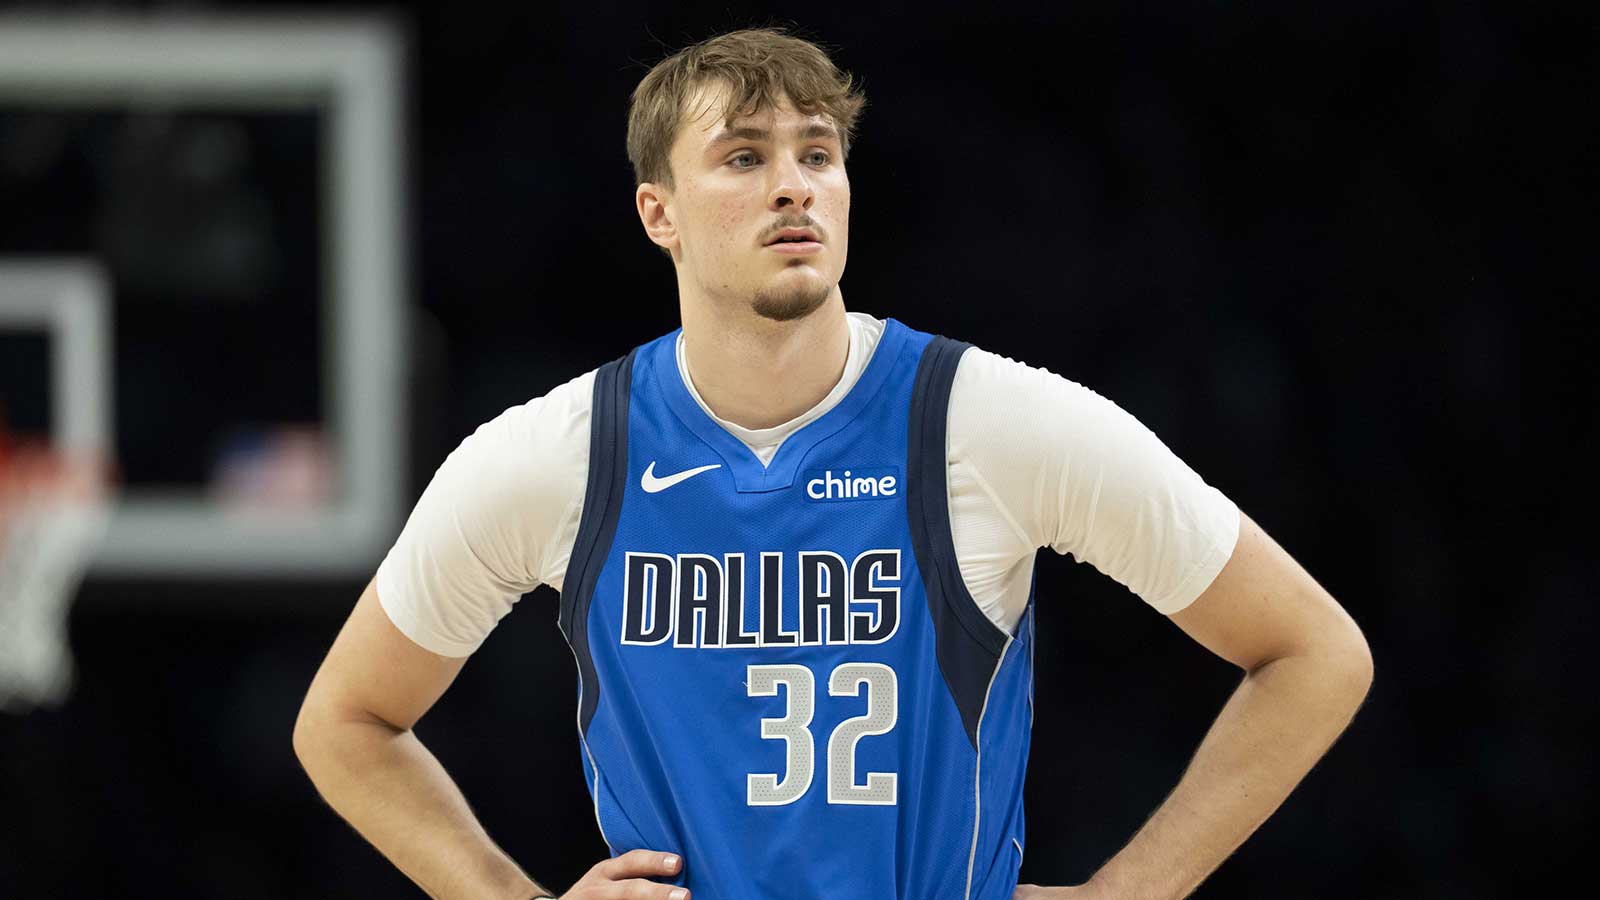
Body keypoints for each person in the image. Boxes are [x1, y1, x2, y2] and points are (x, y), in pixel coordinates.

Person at [293, 26, 1373, 900]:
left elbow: (1313, 650)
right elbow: (344, 722)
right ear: (655, 212)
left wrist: (1131, 892)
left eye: (817, 153)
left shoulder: (986, 421)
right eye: (745, 157)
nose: (794, 185)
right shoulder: (558, 456)